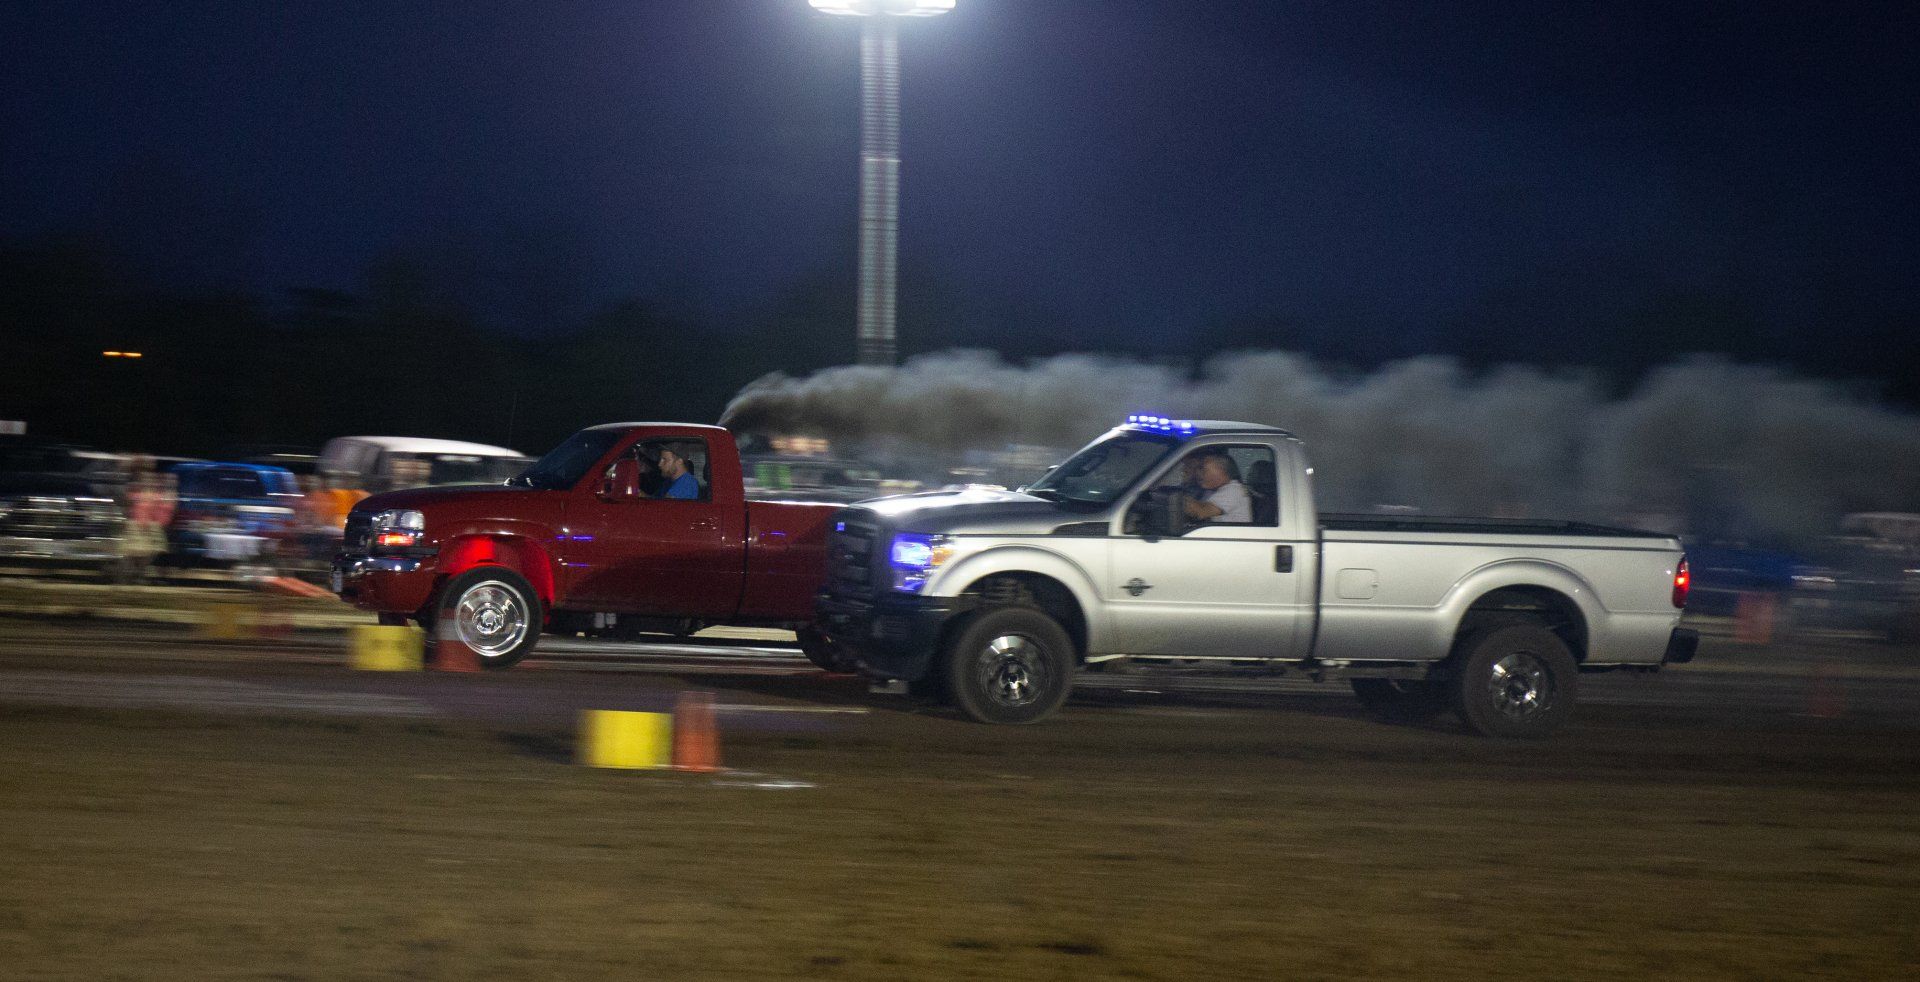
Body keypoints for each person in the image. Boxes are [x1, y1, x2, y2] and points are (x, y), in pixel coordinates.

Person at [1182, 452, 1252, 524]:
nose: (1198, 473)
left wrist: (1178, 496)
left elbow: (1201, 512)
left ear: (1221, 471)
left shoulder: (1233, 490)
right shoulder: (1212, 490)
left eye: (1203, 469)